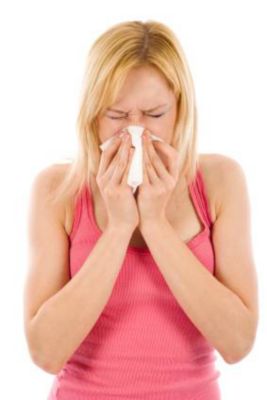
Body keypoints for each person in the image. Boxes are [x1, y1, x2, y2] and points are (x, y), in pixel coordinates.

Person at [23, 20, 259, 399]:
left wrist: (155, 223)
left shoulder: (220, 181)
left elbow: (237, 342)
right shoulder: (57, 190)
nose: (135, 131)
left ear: (180, 110)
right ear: (91, 114)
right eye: (116, 116)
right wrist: (117, 229)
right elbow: (46, 352)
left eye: (154, 114)